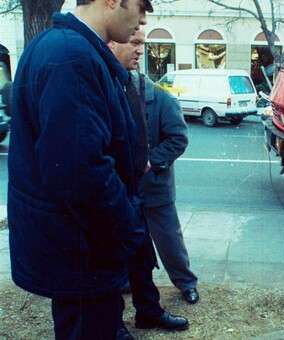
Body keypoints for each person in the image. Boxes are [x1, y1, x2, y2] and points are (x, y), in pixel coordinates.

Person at [8, 0, 153, 338]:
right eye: (140, 6)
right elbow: (80, 173)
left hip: (75, 249)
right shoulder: (73, 57)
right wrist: (128, 229)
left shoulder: (55, 46)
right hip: (83, 254)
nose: (141, 20)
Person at [109, 29, 189, 337]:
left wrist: (150, 161)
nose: (139, 50)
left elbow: (177, 138)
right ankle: (115, 321)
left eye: (143, 43)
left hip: (146, 189)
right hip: (115, 188)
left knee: (153, 249)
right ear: (111, 41)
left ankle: (161, 302)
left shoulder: (152, 93)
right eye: (134, 42)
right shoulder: (105, 83)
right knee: (119, 254)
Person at [142, 69, 200, 304]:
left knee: (169, 241)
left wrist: (151, 161)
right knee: (129, 241)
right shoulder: (115, 94)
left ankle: (186, 283)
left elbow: (178, 139)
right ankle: (128, 281)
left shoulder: (163, 98)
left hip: (155, 187)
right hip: (123, 188)